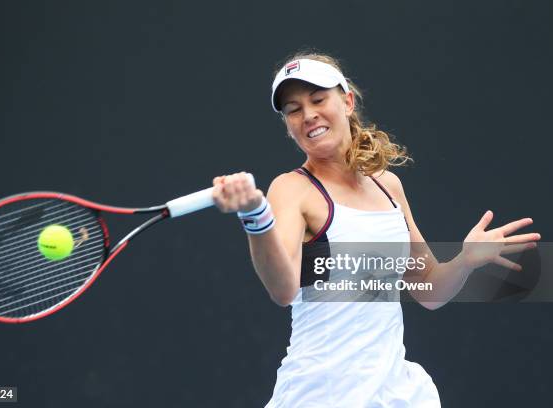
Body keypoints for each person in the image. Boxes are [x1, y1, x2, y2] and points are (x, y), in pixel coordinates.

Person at [212, 52, 541, 407]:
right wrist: (256, 216)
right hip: (320, 394)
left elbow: (429, 288)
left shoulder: (388, 186)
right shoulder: (291, 189)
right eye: (293, 109)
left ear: (347, 101)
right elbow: (283, 289)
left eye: (318, 99)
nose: (308, 115)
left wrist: (464, 260)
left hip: (393, 392)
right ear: (288, 125)